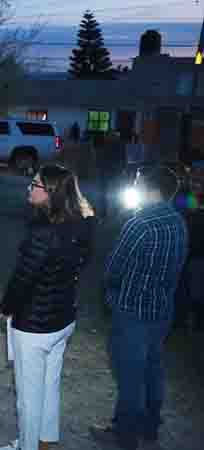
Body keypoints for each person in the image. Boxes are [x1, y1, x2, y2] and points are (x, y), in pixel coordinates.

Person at [0, 164, 95, 450]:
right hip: (62, 319)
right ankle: (44, 441)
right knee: (49, 386)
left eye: (34, 184)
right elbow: (81, 260)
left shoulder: (44, 232)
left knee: (28, 396)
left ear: (50, 192)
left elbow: (23, 277)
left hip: (36, 325)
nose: (29, 187)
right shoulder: (79, 225)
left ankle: (27, 446)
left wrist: (6, 307)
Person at [89, 166, 188, 450]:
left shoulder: (139, 224)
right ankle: (150, 428)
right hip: (161, 309)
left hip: (132, 310)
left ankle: (125, 434)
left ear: (150, 189)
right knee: (153, 369)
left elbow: (113, 269)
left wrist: (110, 293)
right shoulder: (178, 223)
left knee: (130, 377)